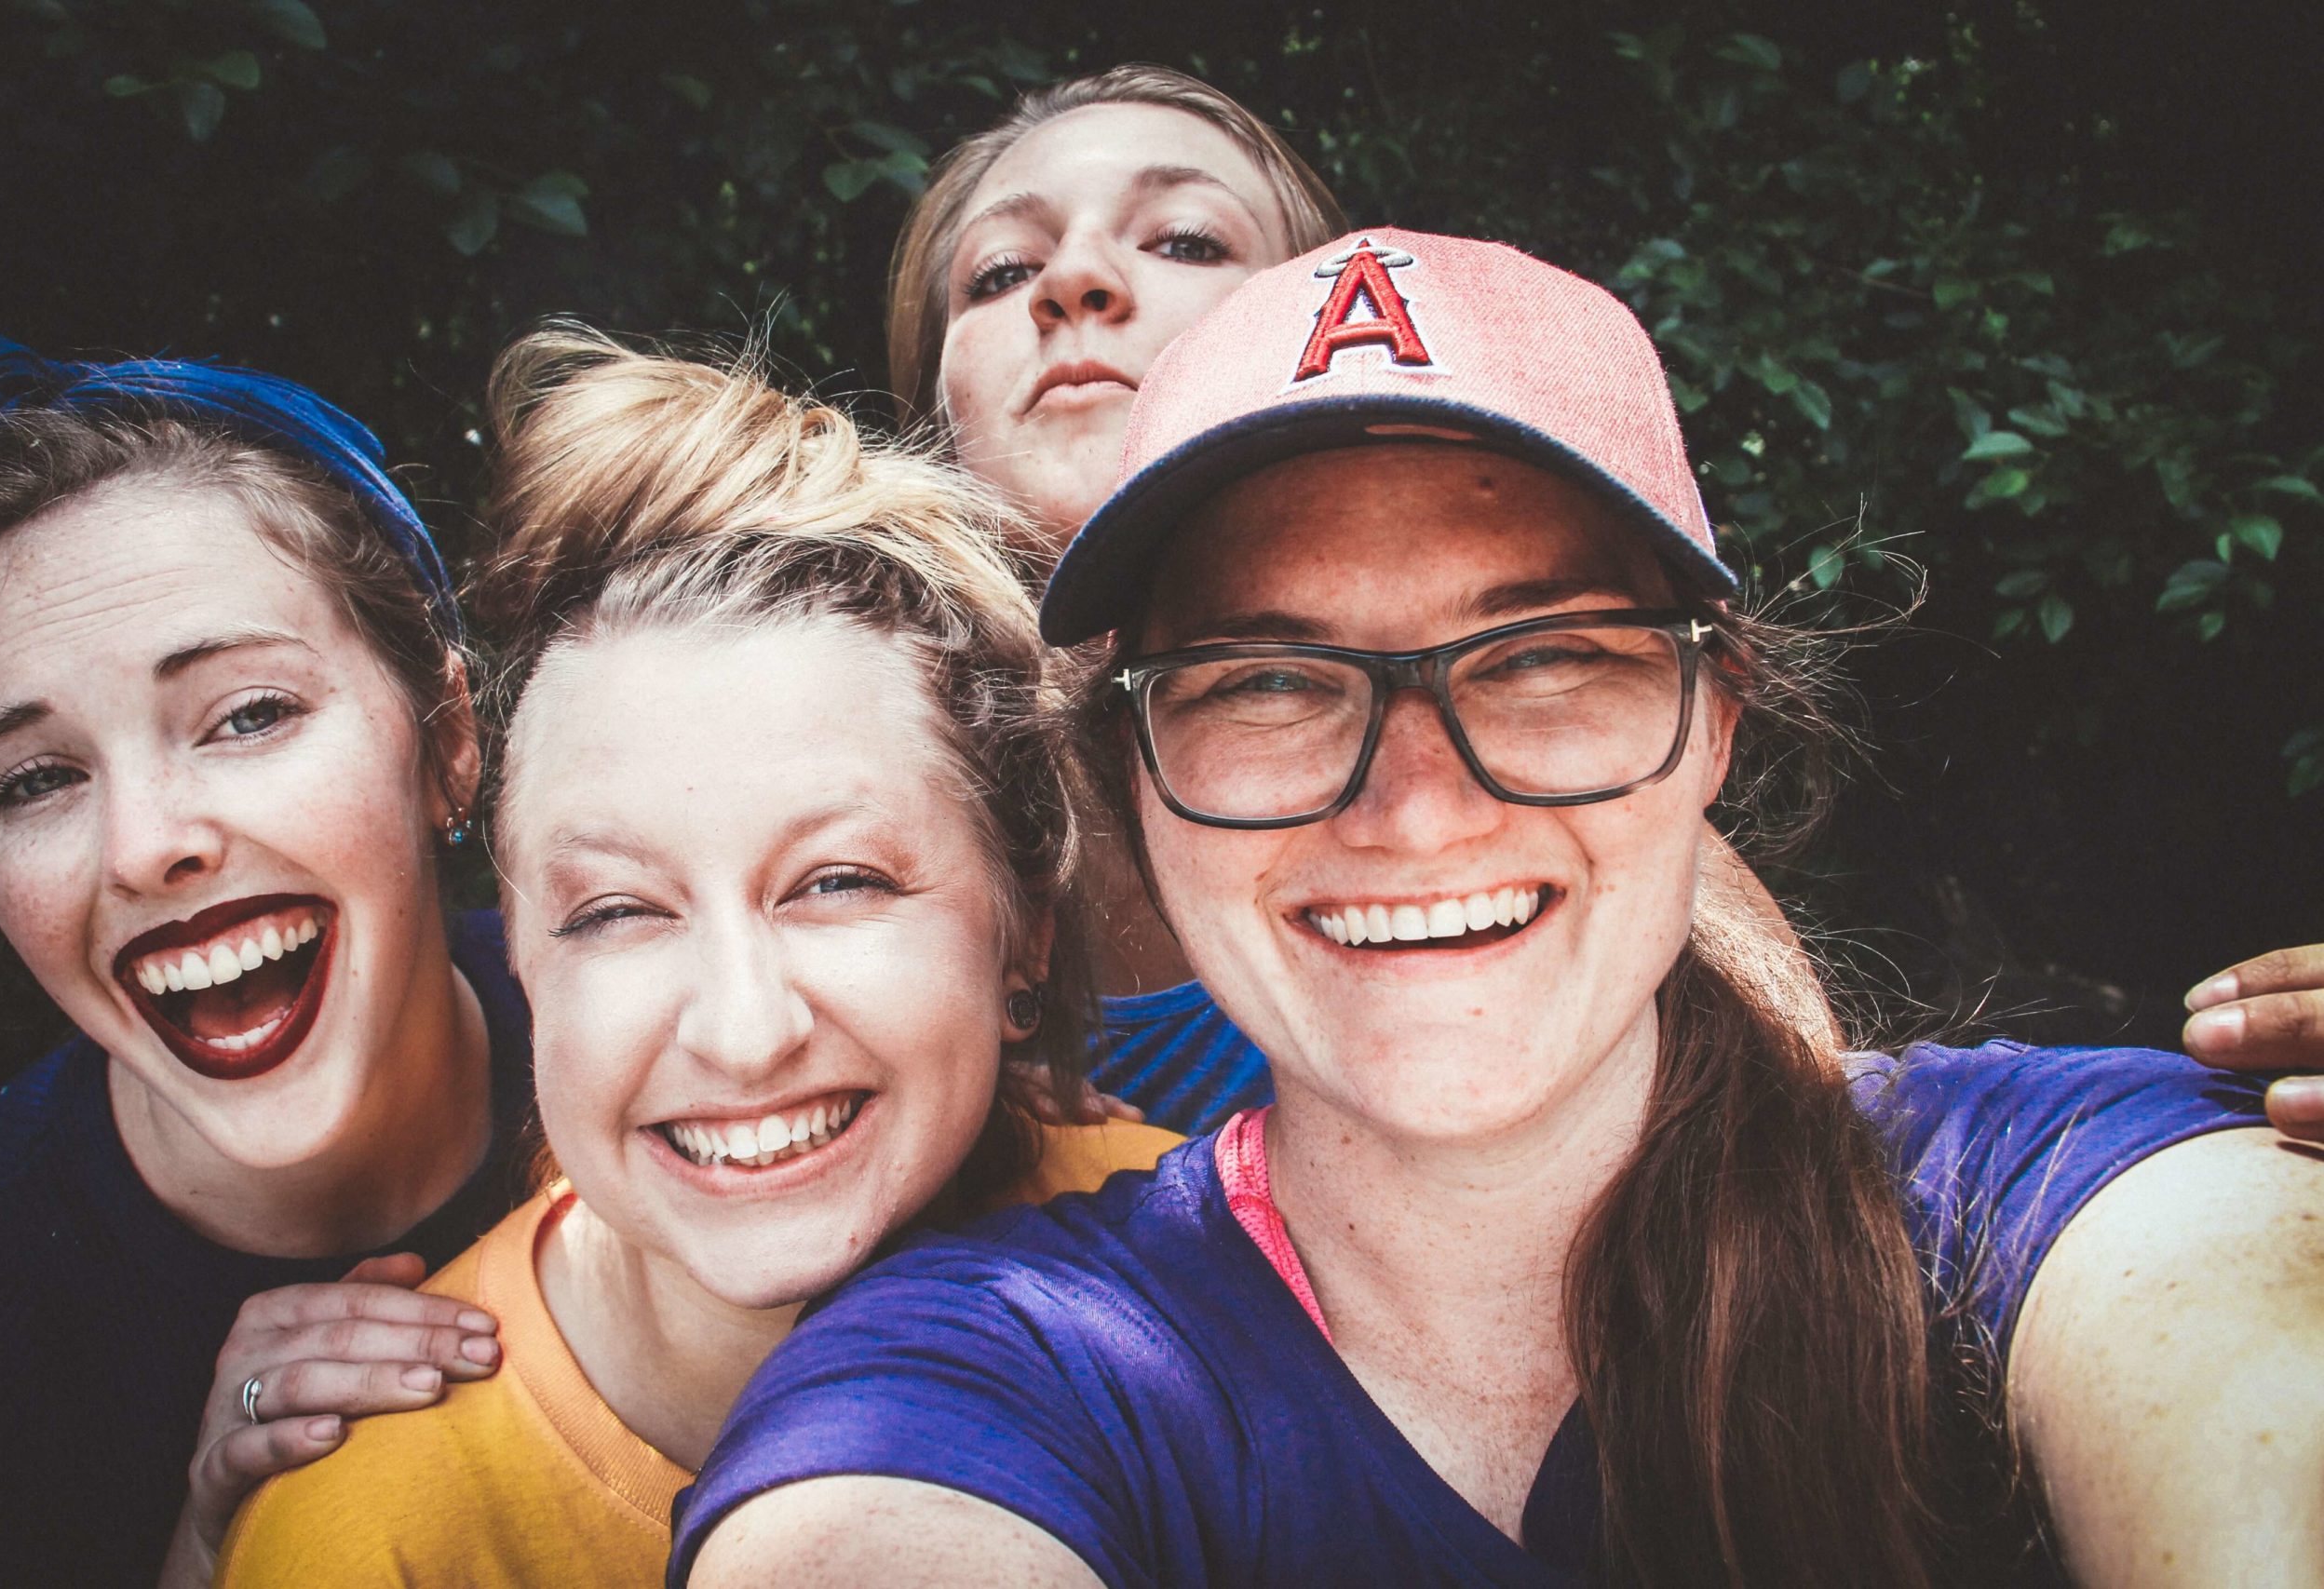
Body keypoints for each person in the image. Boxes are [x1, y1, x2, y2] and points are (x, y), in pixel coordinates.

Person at [671, 232, 2324, 1586]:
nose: (1416, 801)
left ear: (1718, 716)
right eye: (1267, 678)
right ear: (1134, 772)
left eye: (1542, 657)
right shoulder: (1003, 1367)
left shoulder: (2029, 1196)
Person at [210, 328, 1177, 1585]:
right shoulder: (367, 1529)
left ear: (1024, 930)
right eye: (617, 910)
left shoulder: (1216, 1267)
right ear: (523, 962)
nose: (742, 1027)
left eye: (838, 882)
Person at [889, 66, 1839, 1131]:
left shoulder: (1605, 840)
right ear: (930, 415)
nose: (1073, 280)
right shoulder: (845, 821)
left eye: (1186, 240)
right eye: (1001, 270)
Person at [0, 338, 522, 1588]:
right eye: (35, 779)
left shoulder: (671, 1032)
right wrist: (210, 1553)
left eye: (248, 712)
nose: (147, 847)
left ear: (450, 742)